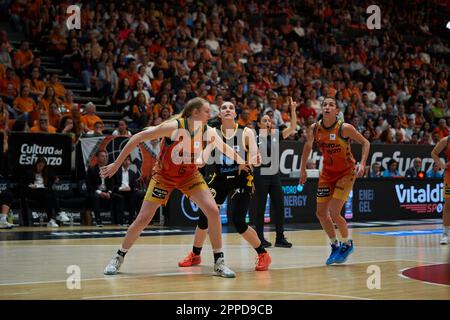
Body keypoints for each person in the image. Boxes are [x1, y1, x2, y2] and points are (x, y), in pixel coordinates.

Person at [100, 97, 249, 278]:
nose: (211, 114)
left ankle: (219, 262)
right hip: (164, 177)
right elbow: (138, 137)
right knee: (143, 219)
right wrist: (116, 164)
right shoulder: (174, 126)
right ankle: (119, 256)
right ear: (195, 113)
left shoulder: (207, 131)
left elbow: (225, 148)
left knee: (213, 210)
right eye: (207, 111)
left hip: (189, 176)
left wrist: (243, 161)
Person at [178, 101, 271, 271]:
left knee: (238, 222)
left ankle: (263, 254)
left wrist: (248, 162)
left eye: (231, 108)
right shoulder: (213, 132)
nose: (227, 110)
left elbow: (257, 158)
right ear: (219, 114)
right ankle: (195, 254)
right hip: (219, 177)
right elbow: (204, 158)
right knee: (204, 217)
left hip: (241, 179)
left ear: (235, 114)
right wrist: (196, 162)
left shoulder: (246, 132)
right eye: (223, 108)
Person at [299, 97, 370, 265]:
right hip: (327, 174)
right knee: (320, 213)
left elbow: (365, 143)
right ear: (321, 109)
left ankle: (347, 243)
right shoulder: (314, 128)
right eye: (324, 104)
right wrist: (302, 169)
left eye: (331, 105)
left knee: (334, 211)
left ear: (337, 111)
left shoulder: (345, 128)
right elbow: (307, 147)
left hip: (346, 172)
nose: (327, 107)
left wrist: (363, 163)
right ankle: (334, 245)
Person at [252, 98, 298, 248]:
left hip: (274, 176)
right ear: (259, 124)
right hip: (260, 175)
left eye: (269, 121)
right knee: (260, 208)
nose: (267, 122)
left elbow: (292, 127)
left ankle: (280, 238)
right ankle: (259, 238)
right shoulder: (253, 138)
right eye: (264, 120)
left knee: (279, 205)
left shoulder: (275, 136)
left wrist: (292, 110)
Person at [22, 157, 70, 227]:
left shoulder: (45, 173)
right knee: (48, 192)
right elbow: (23, 184)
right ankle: (59, 213)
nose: (41, 168)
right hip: (33, 192)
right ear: (36, 164)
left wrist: (56, 179)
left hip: (43, 193)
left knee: (48, 197)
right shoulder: (29, 172)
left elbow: (54, 178)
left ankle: (50, 220)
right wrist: (30, 185)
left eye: (42, 166)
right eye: (39, 166)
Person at [86, 150, 124, 226]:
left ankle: (119, 221)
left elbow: (112, 183)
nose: (105, 158)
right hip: (96, 192)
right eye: (102, 156)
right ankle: (98, 221)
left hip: (107, 192)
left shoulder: (109, 169)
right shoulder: (91, 169)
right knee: (95, 197)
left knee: (120, 198)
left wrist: (109, 192)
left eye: (106, 156)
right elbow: (89, 185)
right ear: (97, 158)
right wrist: (100, 192)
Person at [431, 136, 450, 245]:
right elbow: (434, 153)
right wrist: (442, 165)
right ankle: (445, 234)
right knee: (448, 205)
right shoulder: (446, 140)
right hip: (449, 175)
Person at [113, 155, 139, 225]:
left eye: (128, 160)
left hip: (129, 192)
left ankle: (131, 220)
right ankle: (120, 221)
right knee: (120, 198)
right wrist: (121, 188)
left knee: (134, 197)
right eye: (125, 160)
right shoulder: (116, 172)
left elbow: (134, 185)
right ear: (121, 161)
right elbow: (113, 186)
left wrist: (131, 188)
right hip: (119, 192)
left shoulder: (132, 173)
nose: (127, 162)